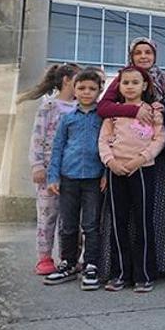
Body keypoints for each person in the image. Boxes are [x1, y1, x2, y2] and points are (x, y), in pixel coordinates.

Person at [97, 38, 165, 281]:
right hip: (116, 168)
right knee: (119, 222)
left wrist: (140, 159)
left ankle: (145, 274)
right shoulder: (116, 103)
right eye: (137, 52)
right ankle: (119, 272)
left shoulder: (158, 96)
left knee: (144, 221)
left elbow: (159, 137)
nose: (143, 56)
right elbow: (104, 131)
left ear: (145, 85)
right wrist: (111, 163)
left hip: (145, 167)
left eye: (148, 52)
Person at [44, 70, 107, 290]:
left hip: (93, 178)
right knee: (68, 225)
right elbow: (58, 147)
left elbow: (109, 145)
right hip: (68, 177)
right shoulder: (67, 118)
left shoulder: (104, 117)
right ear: (75, 90)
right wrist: (53, 176)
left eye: (92, 88)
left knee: (90, 224)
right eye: (82, 88)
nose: (86, 92)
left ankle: (91, 264)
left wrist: (106, 174)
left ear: (100, 90)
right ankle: (68, 263)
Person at [20, 63, 81, 276]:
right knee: (47, 214)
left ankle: (69, 257)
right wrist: (37, 166)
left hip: (74, 171)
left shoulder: (82, 107)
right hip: (47, 170)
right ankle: (44, 257)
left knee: (72, 217)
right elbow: (37, 137)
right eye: (78, 81)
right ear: (66, 80)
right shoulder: (49, 106)